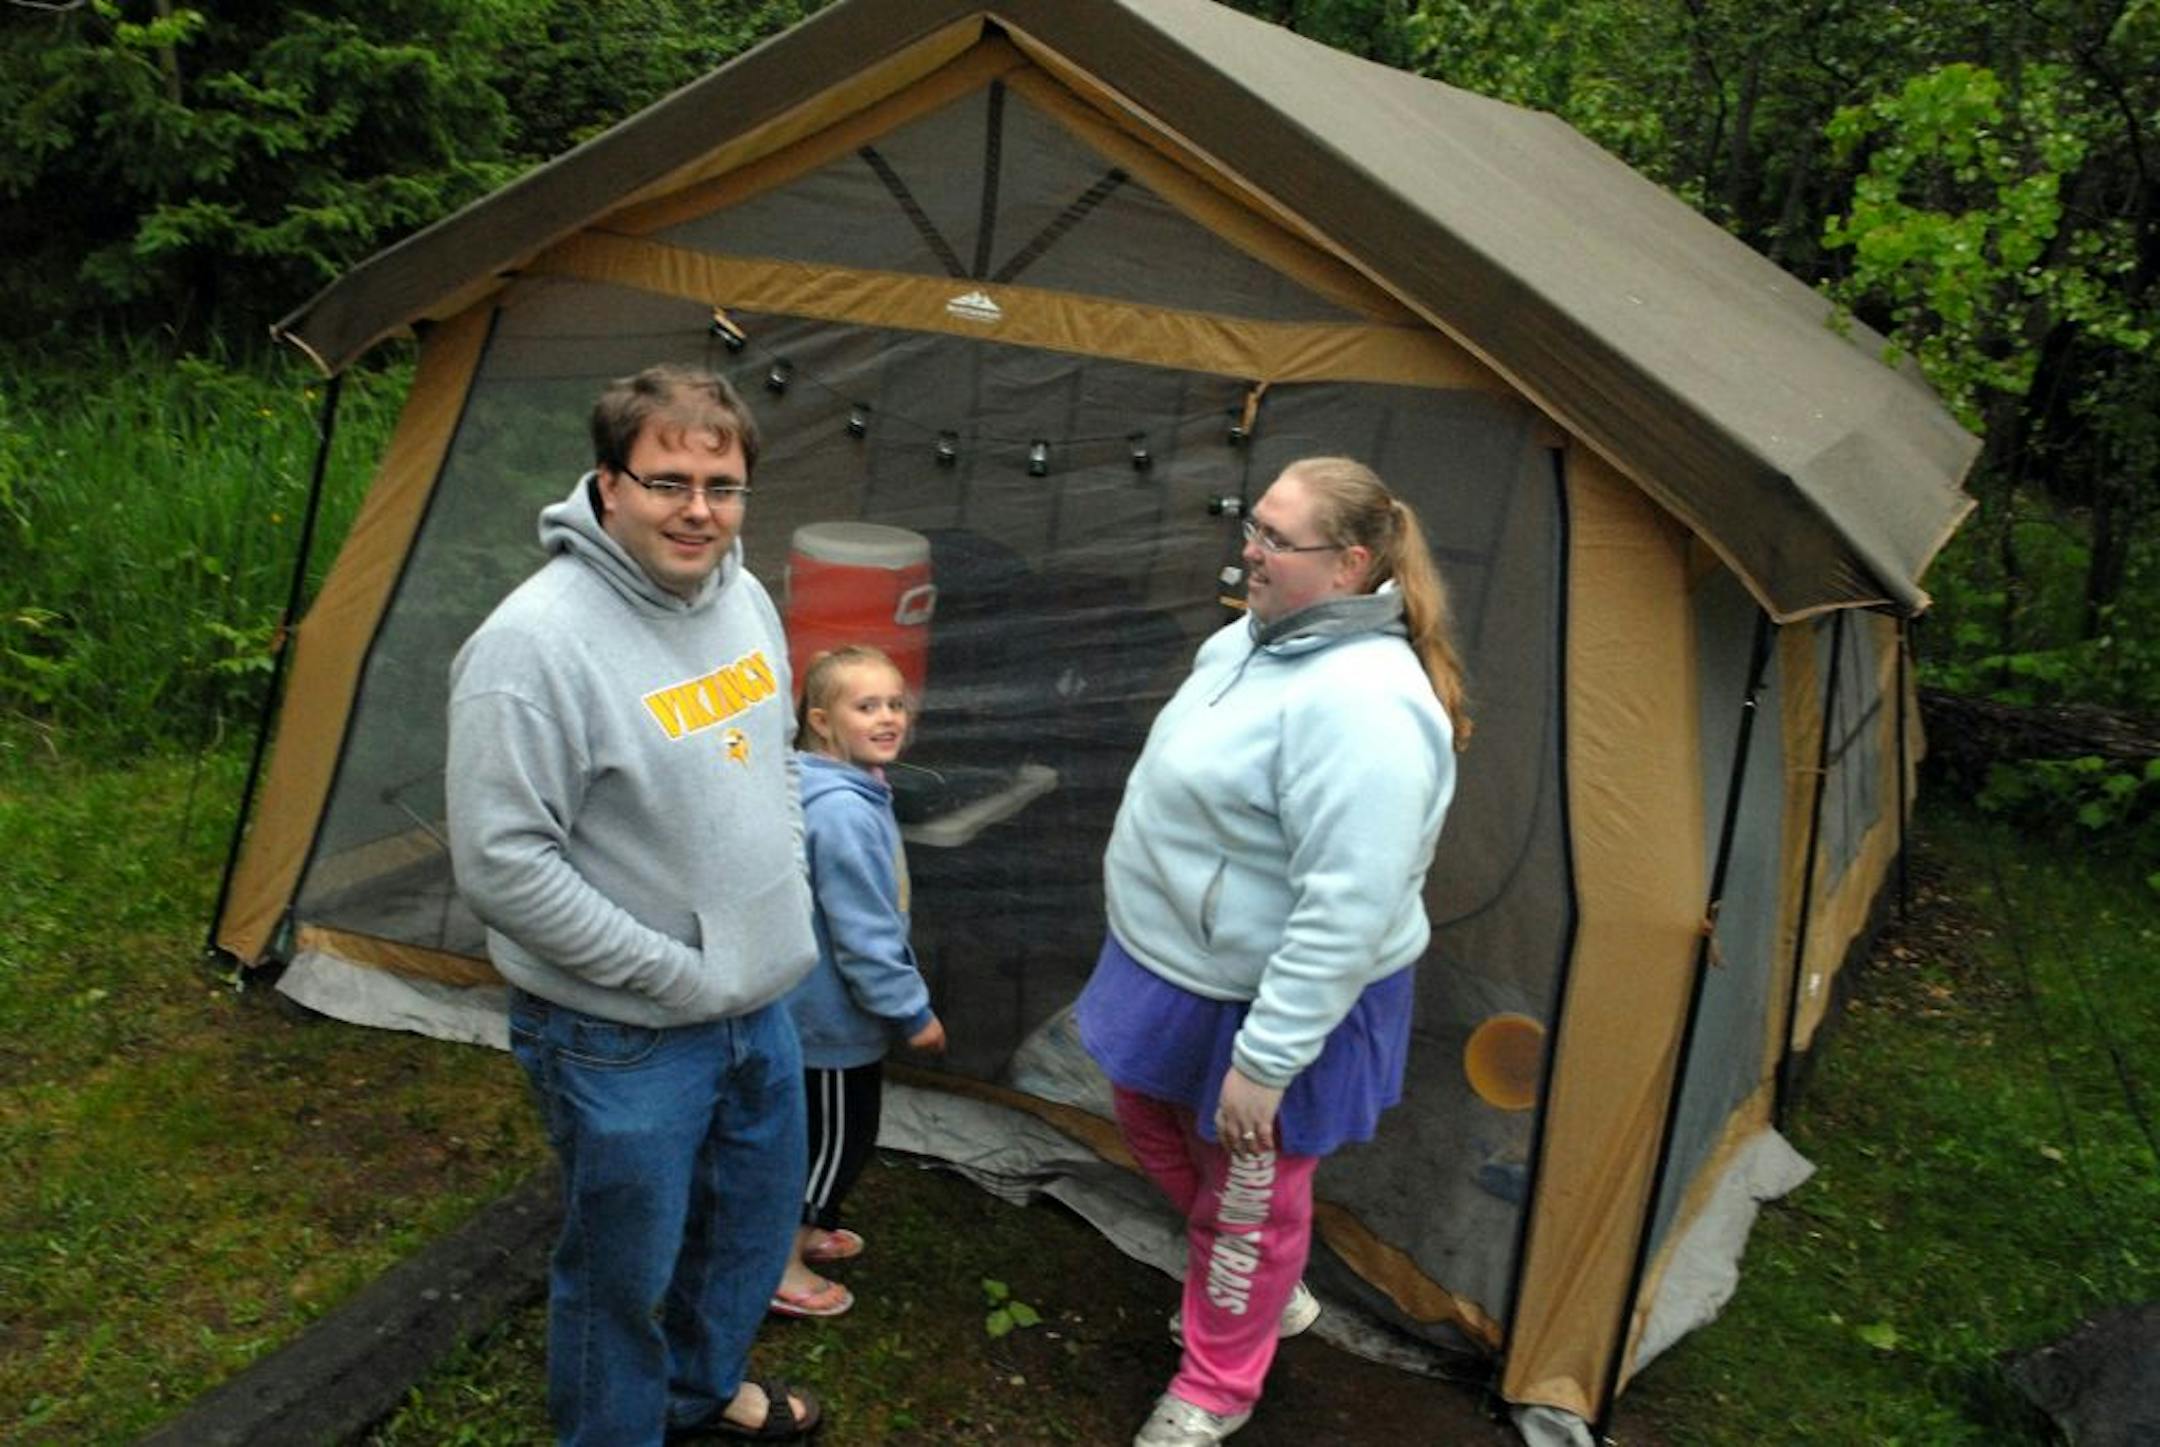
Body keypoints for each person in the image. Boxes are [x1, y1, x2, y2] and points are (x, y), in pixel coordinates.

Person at [446, 365, 822, 1444]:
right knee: (622, 1273)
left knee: (747, 1228)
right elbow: (504, 865)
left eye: (723, 483)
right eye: (668, 481)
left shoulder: (744, 595)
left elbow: (776, 759)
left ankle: (698, 1394)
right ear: (608, 485)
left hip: (759, 1002)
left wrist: (780, 896)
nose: (699, 510)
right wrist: (675, 973)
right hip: (621, 1034)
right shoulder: (532, 649)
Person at [1075, 456, 1470, 1447]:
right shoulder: (1250, 640)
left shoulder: (1371, 709)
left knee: (1250, 1198)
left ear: (1349, 564)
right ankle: (1252, 1273)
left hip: (1269, 1002)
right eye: (1251, 524)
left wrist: (1267, 1059)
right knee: (1152, 1123)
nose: (1246, 549)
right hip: (1173, 965)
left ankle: (1216, 1385)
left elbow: (1348, 909)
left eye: (1273, 539)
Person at [770, 644, 948, 1319]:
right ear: (820, 719)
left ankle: (805, 1233)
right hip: (828, 1021)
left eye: (896, 703)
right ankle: (777, 1263)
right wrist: (911, 1011)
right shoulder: (842, 812)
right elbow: (863, 931)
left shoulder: (841, 787)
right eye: (866, 705)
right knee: (831, 1142)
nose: (888, 717)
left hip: (815, 1011)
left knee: (819, 1133)